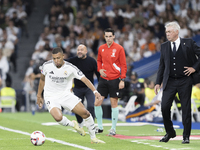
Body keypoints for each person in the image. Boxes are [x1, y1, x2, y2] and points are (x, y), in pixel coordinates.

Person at [36, 47, 105, 144]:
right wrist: (39, 95)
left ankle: (93, 138)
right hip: (51, 96)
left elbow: (85, 79)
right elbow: (42, 80)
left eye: (58, 58)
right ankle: (73, 124)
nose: (56, 61)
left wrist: (95, 92)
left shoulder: (71, 68)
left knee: (86, 113)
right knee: (58, 118)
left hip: (66, 95)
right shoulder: (46, 66)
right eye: (54, 58)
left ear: (63, 56)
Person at [154, 21, 200, 144]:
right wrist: (158, 82)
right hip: (169, 81)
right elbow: (162, 66)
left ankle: (186, 136)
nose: (167, 34)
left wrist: (194, 68)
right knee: (164, 107)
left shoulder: (189, 43)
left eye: (169, 31)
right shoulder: (164, 46)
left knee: (186, 108)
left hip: (185, 81)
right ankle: (170, 132)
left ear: (176, 32)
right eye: (166, 32)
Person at [95, 28, 127, 136]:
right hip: (103, 80)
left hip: (114, 79)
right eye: (106, 36)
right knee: (97, 102)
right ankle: (100, 127)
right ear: (104, 37)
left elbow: (123, 65)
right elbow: (99, 61)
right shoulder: (101, 48)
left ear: (114, 36)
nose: (108, 38)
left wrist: (122, 79)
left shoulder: (119, 48)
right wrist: (100, 70)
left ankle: (113, 129)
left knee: (114, 104)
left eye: (110, 36)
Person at [66, 44, 100, 128]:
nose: (79, 51)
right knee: (76, 108)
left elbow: (98, 74)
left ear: (86, 51)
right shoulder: (73, 60)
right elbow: (63, 62)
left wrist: (100, 88)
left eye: (81, 50)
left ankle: (91, 125)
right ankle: (80, 123)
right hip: (77, 88)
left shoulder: (92, 61)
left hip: (89, 88)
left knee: (91, 106)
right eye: (78, 50)